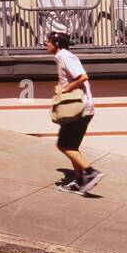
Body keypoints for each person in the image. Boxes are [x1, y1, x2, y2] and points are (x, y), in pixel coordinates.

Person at [46, 31, 104, 195]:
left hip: (79, 109)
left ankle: (90, 172)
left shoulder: (66, 56)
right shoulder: (61, 57)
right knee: (72, 146)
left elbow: (83, 77)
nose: (46, 44)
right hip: (82, 110)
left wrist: (63, 89)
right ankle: (79, 181)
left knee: (63, 145)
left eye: (48, 42)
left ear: (56, 44)